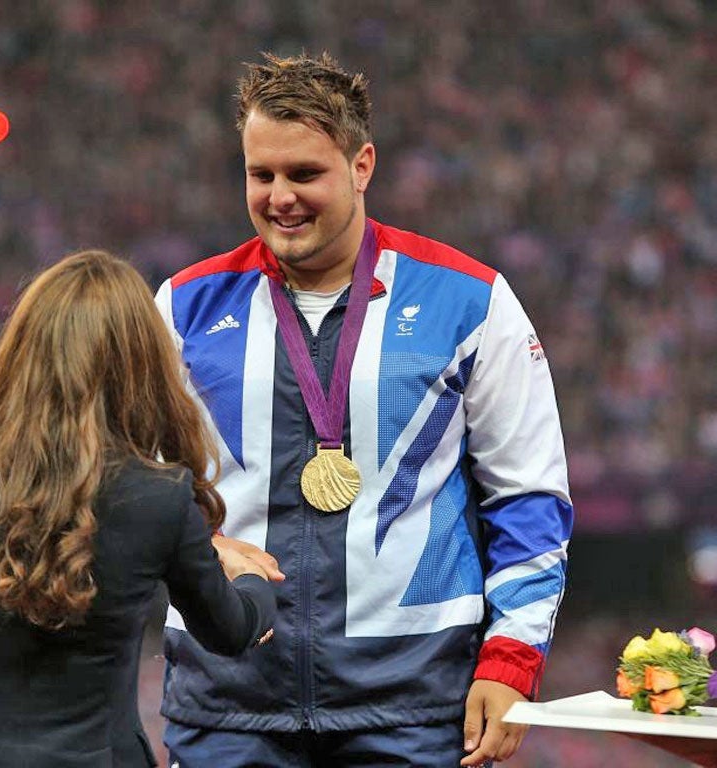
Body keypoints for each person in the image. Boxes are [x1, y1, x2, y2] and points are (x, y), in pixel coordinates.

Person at [154, 52, 574, 767]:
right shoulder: (185, 308)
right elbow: (136, 486)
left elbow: (529, 497)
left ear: (361, 165)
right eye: (261, 175)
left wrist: (512, 662)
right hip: (228, 706)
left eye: (304, 174)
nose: (279, 197)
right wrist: (195, 545)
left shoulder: (470, 301)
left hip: (413, 709)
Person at [0, 250, 277, 768]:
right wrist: (250, 579)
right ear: (139, 366)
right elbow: (232, 632)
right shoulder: (158, 498)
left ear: (20, 354)